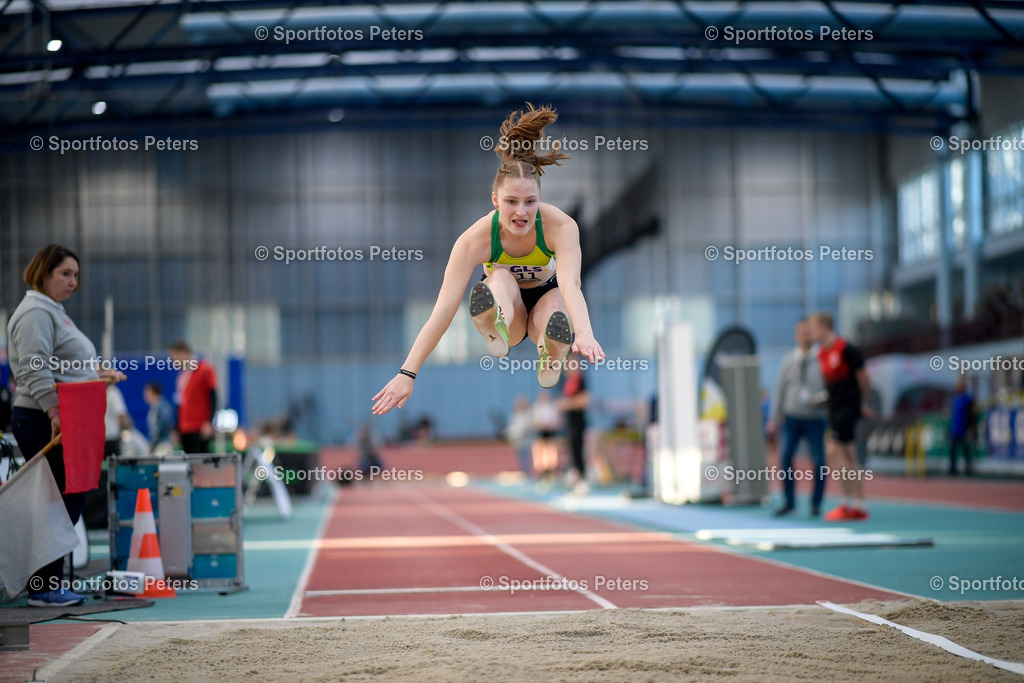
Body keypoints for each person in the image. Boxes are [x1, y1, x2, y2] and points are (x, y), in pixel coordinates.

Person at [372, 103, 605, 415]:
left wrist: (584, 333)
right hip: (511, 312)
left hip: (543, 304)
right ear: (495, 200)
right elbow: (444, 309)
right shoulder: (475, 240)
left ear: (540, 199)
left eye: (530, 202)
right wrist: (407, 373)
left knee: (553, 304)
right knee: (500, 279)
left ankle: (550, 349)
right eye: (511, 202)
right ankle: (494, 319)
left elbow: (570, 284)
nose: (521, 212)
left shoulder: (560, 227)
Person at [7, 244, 126, 606]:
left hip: (59, 416)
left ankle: (47, 583)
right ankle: (43, 587)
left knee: (63, 501)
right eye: (65, 274)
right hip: (44, 418)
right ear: (44, 274)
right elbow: (34, 367)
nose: (74, 281)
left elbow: (59, 366)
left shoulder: (52, 311)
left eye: (76, 275)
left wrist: (94, 374)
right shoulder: (35, 312)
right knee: (59, 503)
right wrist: (55, 413)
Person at [807, 311, 873, 521]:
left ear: (825, 327)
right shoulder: (821, 353)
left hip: (848, 408)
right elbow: (832, 386)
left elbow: (863, 378)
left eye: (813, 328)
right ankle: (858, 504)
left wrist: (861, 403)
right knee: (848, 456)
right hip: (834, 409)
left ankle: (848, 502)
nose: (811, 333)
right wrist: (821, 398)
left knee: (833, 450)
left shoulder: (845, 349)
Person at [767, 319, 828, 517]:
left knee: (819, 461)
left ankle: (816, 503)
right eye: (801, 332)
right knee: (785, 457)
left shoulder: (822, 358)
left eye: (808, 332)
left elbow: (832, 387)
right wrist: (773, 418)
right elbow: (779, 390)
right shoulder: (788, 360)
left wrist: (822, 399)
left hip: (815, 418)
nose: (804, 336)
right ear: (796, 335)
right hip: (792, 418)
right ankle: (789, 502)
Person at [168, 340, 217, 454]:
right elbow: (180, 403)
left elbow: (213, 396)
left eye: (176, 357)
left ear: (184, 352)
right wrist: (176, 428)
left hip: (199, 427)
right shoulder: (182, 376)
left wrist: (209, 422)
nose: (174, 361)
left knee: (200, 459)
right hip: (185, 428)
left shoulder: (205, 369)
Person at [559, 359, 589, 492]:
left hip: (578, 423)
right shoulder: (566, 383)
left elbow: (584, 400)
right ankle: (574, 475)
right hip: (569, 424)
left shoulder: (581, 381)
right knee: (571, 451)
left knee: (579, 450)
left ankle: (583, 478)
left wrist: (568, 404)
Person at [948, 377, 975, 475]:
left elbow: (971, 415)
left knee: (966, 450)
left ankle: (968, 469)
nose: (958, 387)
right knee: (953, 451)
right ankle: (952, 469)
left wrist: (970, 428)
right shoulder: (955, 399)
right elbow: (952, 415)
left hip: (964, 429)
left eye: (960, 386)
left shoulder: (967, 399)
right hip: (954, 429)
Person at [532, 391, 561, 480]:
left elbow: (558, 420)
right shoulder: (537, 407)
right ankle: (540, 471)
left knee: (551, 451)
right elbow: (535, 421)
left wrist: (551, 425)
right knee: (540, 451)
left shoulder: (553, 407)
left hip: (551, 432)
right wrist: (541, 425)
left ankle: (551, 470)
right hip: (540, 432)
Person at [505, 396, 535, 479]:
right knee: (520, 457)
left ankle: (528, 473)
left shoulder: (529, 414)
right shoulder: (515, 414)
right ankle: (523, 472)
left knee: (526, 457)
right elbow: (513, 426)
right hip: (518, 439)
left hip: (526, 439)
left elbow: (529, 426)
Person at [143, 381, 174, 453]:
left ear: (153, 392)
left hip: (163, 445)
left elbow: (161, 426)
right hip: (158, 444)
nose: (145, 395)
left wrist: (153, 442)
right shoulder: (154, 407)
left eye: (147, 392)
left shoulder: (162, 406)